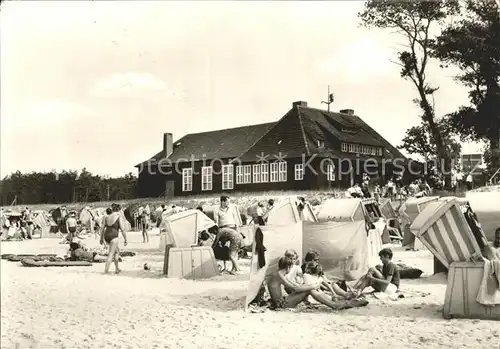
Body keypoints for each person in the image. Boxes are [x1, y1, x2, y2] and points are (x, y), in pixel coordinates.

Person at [266, 256, 358, 310]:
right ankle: (333, 304)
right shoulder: (279, 275)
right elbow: (294, 289)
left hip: (282, 301)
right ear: (288, 267)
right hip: (282, 305)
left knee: (309, 287)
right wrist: (313, 285)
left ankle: (333, 302)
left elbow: (293, 285)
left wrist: (308, 286)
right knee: (310, 289)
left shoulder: (277, 274)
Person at [213, 195, 242, 274]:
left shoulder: (232, 208)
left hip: (232, 228)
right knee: (224, 249)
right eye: (227, 201)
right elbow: (216, 222)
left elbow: (236, 220)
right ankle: (225, 267)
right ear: (222, 201)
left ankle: (233, 268)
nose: (229, 203)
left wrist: (238, 230)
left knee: (234, 249)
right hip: (223, 229)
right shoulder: (216, 209)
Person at [100, 205, 128, 274]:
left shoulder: (106, 217)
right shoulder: (119, 217)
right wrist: (125, 239)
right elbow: (122, 229)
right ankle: (105, 271)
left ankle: (117, 269)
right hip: (114, 236)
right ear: (118, 210)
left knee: (117, 251)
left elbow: (102, 228)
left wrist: (101, 238)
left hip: (106, 236)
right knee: (111, 253)